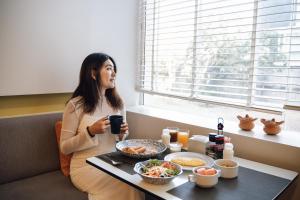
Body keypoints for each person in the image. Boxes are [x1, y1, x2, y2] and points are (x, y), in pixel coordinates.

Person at [60, 53, 144, 200]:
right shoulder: (75, 105)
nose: (114, 73)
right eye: (109, 68)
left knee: (137, 180)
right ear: (93, 73)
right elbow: (65, 147)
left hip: (113, 162)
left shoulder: (118, 103)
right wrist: (90, 131)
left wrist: (122, 134)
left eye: (114, 69)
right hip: (85, 167)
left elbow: (120, 140)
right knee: (126, 183)